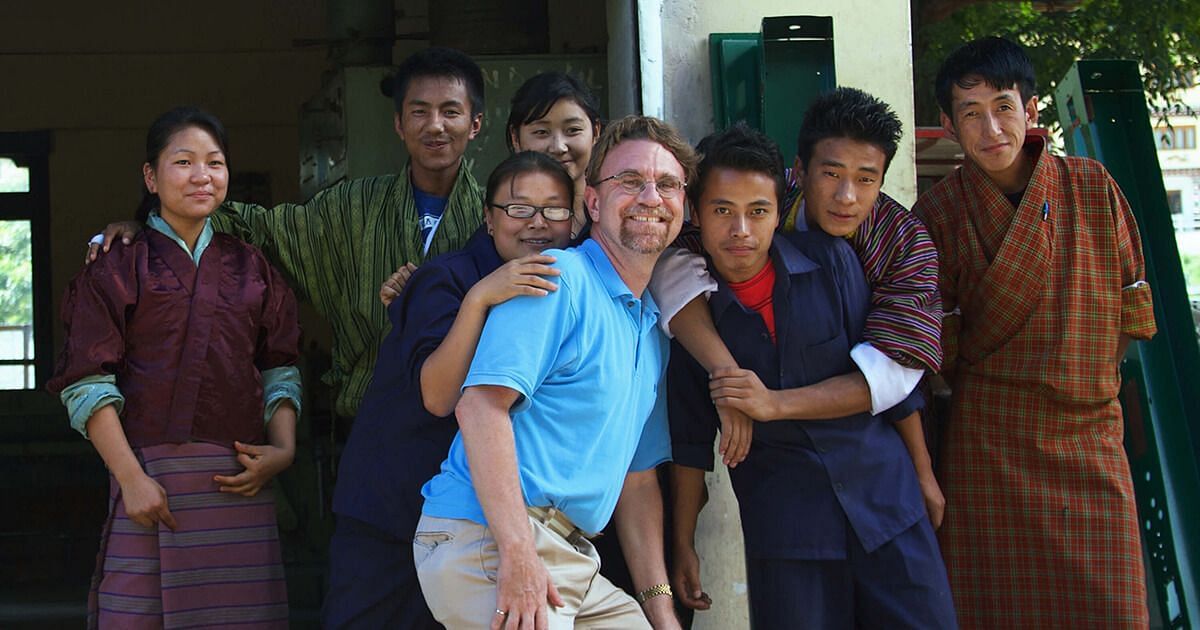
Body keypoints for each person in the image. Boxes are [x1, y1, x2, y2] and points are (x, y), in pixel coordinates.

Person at [89, 47, 487, 422]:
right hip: (375, 419)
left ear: (474, 124)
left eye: (450, 111)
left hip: (471, 421)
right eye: (420, 111)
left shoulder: (499, 218)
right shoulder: (352, 206)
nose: (435, 125)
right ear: (399, 123)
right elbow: (259, 229)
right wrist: (149, 221)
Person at [668, 123, 957, 629]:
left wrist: (923, 472)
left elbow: (890, 381)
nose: (741, 230)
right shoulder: (694, 313)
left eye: (758, 212)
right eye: (721, 211)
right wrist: (683, 540)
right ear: (696, 214)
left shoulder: (837, 262)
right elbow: (690, 437)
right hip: (788, 529)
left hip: (886, 503)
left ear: (780, 212)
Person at [914, 36, 1157, 628]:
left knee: (1114, 610)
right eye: (970, 113)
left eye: (1003, 106)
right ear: (948, 124)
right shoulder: (939, 213)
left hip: (1088, 436)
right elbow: (930, 344)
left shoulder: (1092, 187)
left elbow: (1132, 306)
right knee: (991, 610)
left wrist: (1085, 373)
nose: (990, 127)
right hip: (989, 442)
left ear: (1031, 109)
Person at [413, 115, 692, 629]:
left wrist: (660, 609)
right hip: (492, 538)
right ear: (592, 202)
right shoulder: (559, 279)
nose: (652, 196)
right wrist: (518, 554)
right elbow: (479, 405)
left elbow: (636, 478)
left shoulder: (649, 326)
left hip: (572, 558)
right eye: (630, 181)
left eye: (668, 184)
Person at [48, 106, 302, 629]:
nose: (202, 175)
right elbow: (86, 380)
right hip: (148, 482)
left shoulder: (252, 266)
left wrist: (284, 448)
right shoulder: (117, 264)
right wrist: (130, 477)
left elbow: (280, 364)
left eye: (215, 162)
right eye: (183, 161)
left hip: (240, 481)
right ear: (151, 176)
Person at [324, 152, 573, 628]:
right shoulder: (446, 279)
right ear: (488, 216)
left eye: (555, 209)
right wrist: (480, 298)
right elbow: (438, 396)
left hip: (473, 522)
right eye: (519, 209)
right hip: (391, 512)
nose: (537, 224)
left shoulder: (567, 284)